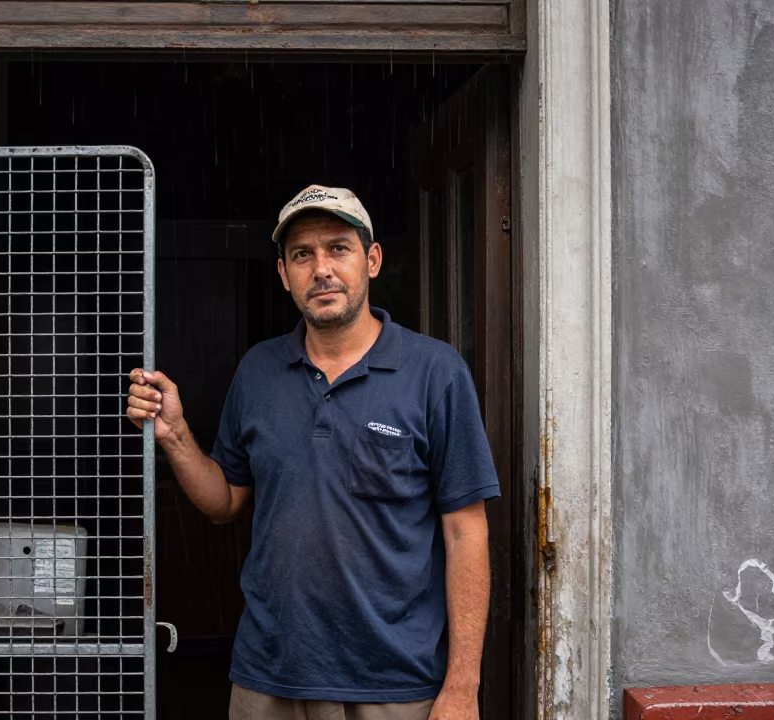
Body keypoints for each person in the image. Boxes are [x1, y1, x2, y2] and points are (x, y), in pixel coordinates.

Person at [127, 185, 500, 720]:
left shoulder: (435, 373)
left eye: (338, 248)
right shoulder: (258, 370)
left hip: (396, 686)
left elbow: (466, 531)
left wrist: (463, 685)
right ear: (283, 274)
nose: (321, 268)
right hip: (269, 677)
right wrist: (177, 435)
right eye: (302, 254)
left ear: (371, 260)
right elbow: (225, 501)